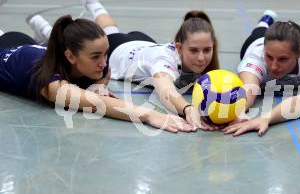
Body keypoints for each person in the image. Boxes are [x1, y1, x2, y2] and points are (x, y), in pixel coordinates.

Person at [0, 16, 193, 133]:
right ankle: (42, 27)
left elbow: (105, 71)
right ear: (71, 56)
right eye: (95, 56)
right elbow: (98, 103)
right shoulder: (51, 83)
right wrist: (150, 115)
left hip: (29, 47)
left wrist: (100, 84)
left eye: (105, 53)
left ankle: (42, 28)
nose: (103, 62)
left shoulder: (94, 63)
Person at [71, 0, 220, 130]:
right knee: (110, 31)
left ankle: (92, 0)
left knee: (112, 29)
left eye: (207, 50)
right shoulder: (164, 62)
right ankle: (90, 2)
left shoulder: (186, 55)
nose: (201, 58)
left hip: (146, 44)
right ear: (179, 47)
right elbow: (166, 91)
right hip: (120, 50)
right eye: (194, 50)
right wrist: (187, 109)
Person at [237, 10, 300, 111]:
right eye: (269, 57)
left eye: (282, 59)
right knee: (259, 32)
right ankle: (265, 21)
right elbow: (248, 91)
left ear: (299, 52)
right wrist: (238, 112)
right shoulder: (255, 60)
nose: (274, 66)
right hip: (257, 41)